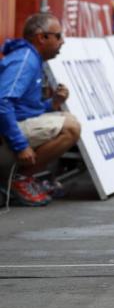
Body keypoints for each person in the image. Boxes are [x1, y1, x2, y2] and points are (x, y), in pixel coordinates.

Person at [0, 13, 81, 206]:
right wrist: (21, 146)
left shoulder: (32, 58)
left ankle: (24, 176)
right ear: (42, 37)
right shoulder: (25, 60)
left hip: (11, 127)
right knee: (70, 128)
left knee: (67, 118)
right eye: (58, 36)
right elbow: (2, 102)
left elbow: (25, 109)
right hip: (4, 136)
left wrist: (53, 103)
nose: (62, 41)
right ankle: (20, 179)